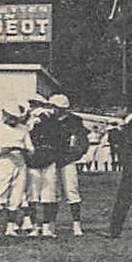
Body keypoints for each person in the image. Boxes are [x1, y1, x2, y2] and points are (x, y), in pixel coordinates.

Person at [30, 93, 89, 236]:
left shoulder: (74, 121)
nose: (54, 110)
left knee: (72, 191)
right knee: (51, 194)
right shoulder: (46, 120)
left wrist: (73, 155)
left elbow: (81, 142)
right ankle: (50, 225)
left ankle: (76, 225)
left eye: (56, 107)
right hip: (51, 161)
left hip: (67, 160)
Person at [0, 102, 34, 237]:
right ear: (5, 115)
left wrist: (24, 150)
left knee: (17, 194)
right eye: (10, 117)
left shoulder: (23, 129)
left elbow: (31, 149)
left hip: (20, 164)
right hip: (3, 163)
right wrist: (1, 150)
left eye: (15, 118)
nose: (13, 121)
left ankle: (10, 227)